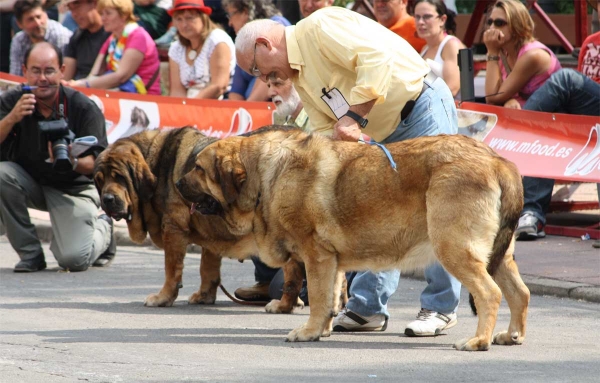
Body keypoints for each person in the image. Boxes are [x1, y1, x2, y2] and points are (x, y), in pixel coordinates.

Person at [234, 6, 460, 336]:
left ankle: (440, 308)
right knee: (379, 214)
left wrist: (354, 118)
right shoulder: (300, 74)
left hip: (421, 107)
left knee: (436, 210)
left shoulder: (319, 26)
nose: (262, 79)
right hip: (385, 129)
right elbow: (326, 127)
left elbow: (377, 60)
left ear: (265, 44)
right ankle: (368, 308)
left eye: (257, 68)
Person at [0, 42, 115, 272]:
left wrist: (72, 160)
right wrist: (12, 118)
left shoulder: (82, 107)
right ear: (24, 71)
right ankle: (30, 254)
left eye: (49, 71)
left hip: (73, 188)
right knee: (2, 174)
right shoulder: (14, 101)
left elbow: (99, 165)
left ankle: (104, 227)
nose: (42, 78)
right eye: (35, 70)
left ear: (62, 70)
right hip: (32, 183)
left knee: (74, 260)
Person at [515, 0, 600, 241]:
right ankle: (531, 214)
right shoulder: (591, 43)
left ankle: (513, 133)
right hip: (591, 120)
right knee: (543, 124)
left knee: (565, 80)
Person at [233, 76, 309, 302]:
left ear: (300, 85)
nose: (270, 92)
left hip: (312, 215)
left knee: (285, 291)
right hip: (290, 210)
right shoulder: (281, 116)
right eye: (269, 86)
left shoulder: (320, 118)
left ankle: (308, 283)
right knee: (251, 197)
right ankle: (265, 280)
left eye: (278, 84)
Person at [66, 0, 161, 95]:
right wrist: (76, 84)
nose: (103, 18)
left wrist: (82, 85)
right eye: (101, 14)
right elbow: (94, 74)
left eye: (108, 13)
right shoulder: (112, 38)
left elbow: (121, 76)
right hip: (119, 95)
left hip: (145, 99)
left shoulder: (139, 36)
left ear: (123, 14)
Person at [483, 0, 561, 109]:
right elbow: (493, 98)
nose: (491, 28)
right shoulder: (503, 52)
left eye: (499, 23)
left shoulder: (533, 56)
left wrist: (491, 52)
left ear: (516, 25)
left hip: (552, 119)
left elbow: (492, 97)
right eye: (490, 22)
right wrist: (509, 99)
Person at [167, 0, 236, 99]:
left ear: (203, 17)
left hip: (219, 102)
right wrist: (181, 111)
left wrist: (191, 107)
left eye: (189, 18)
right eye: (179, 19)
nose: (184, 25)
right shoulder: (175, 48)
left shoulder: (217, 40)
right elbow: (177, 91)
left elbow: (219, 86)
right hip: (188, 105)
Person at [224, 0, 290, 102]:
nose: (230, 23)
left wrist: (247, 112)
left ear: (245, 11)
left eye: (230, 15)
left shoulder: (273, 27)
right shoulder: (244, 42)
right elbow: (236, 90)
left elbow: (270, 77)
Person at [414, 0, 465, 98]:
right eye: (417, 17)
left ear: (442, 20)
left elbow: (452, 89)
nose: (420, 22)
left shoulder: (451, 45)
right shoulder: (425, 49)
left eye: (427, 16)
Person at [10, 0, 73, 76]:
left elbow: (62, 75)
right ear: (19, 24)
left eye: (39, 17)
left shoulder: (60, 36)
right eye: (31, 19)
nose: (37, 23)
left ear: (46, 14)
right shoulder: (19, 40)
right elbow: (15, 76)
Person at [62, 0, 111, 81]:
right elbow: (66, 77)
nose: (74, 14)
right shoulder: (76, 37)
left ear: (95, 3)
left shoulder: (112, 35)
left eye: (77, 7)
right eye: (71, 9)